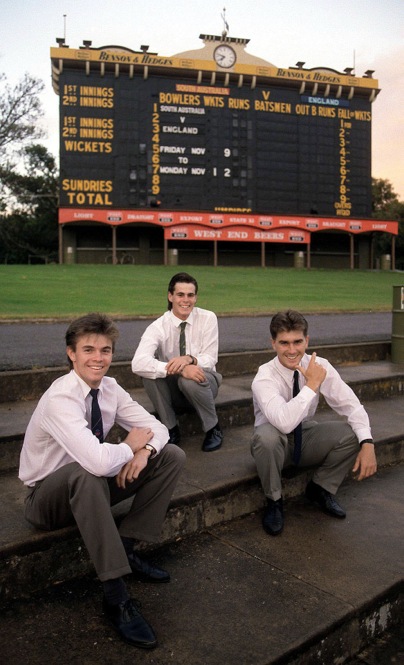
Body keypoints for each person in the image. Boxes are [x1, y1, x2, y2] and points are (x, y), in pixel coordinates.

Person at [19, 313, 185, 649]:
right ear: (72, 354)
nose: (98, 358)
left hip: (92, 487)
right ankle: (116, 595)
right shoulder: (61, 398)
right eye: (88, 350)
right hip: (47, 501)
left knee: (170, 456)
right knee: (89, 471)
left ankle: (127, 547)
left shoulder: (110, 388)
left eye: (105, 350)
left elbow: (159, 428)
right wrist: (128, 447)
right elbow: (95, 461)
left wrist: (144, 451)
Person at [251, 309, 377, 536]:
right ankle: (274, 501)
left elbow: (351, 405)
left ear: (307, 340)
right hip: (273, 441)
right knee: (266, 438)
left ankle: (320, 488)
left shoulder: (320, 366)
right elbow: (283, 423)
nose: (292, 350)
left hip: (304, 434)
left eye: (298, 342)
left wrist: (368, 443)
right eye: (284, 343)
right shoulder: (264, 376)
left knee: (354, 434)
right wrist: (311, 385)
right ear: (273, 344)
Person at [132, 272, 223, 452]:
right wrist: (180, 369)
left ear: (196, 297)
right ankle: (170, 429)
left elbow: (210, 358)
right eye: (180, 294)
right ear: (170, 296)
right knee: (149, 375)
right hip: (174, 388)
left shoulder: (208, 318)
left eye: (190, 295)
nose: (186, 300)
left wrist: (189, 360)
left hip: (204, 384)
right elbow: (138, 363)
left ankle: (213, 429)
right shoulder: (158, 326)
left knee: (189, 379)